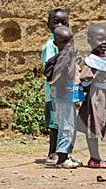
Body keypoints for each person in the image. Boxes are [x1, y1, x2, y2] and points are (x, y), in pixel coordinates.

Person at [78, 24, 106, 168]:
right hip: (96, 98)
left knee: (101, 126)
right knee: (93, 127)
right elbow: (85, 78)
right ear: (90, 40)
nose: (104, 42)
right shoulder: (91, 60)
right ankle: (94, 158)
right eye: (100, 39)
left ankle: (97, 157)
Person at [50, 26, 85, 168]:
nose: (69, 45)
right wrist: (72, 60)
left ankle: (67, 154)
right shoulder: (63, 58)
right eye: (65, 42)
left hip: (69, 97)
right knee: (66, 126)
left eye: (71, 41)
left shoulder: (67, 56)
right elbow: (70, 74)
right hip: (63, 97)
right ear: (56, 43)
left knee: (70, 126)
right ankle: (61, 158)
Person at [41, 8, 69, 166]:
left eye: (64, 23)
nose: (59, 25)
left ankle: (61, 151)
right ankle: (52, 153)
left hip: (64, 92)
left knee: (63, 122)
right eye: (55, 22)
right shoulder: (50, 46)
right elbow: (50, 70)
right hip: (53, 92)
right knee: (54, 124)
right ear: (48, 25)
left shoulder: (66, 44)